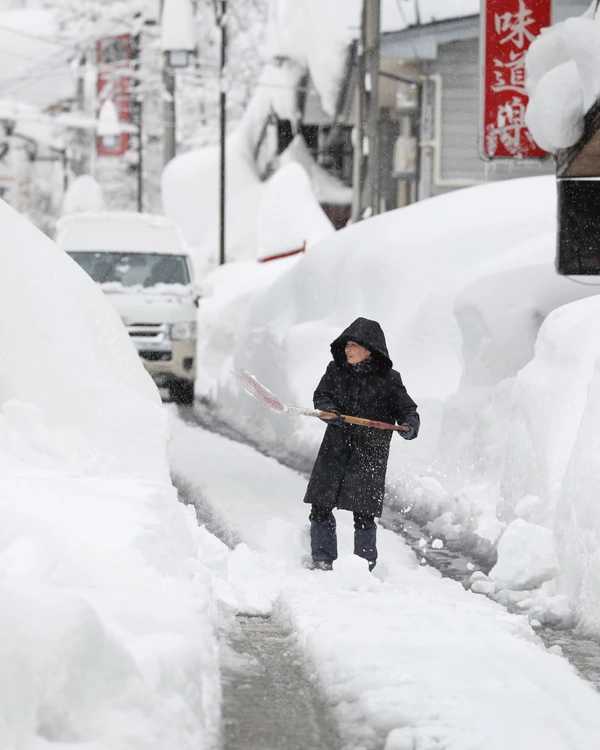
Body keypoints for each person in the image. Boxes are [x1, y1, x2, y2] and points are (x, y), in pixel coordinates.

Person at [303, 317, 420, 572]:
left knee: (363, 514)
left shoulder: (389, 379)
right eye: (346, 344)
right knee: (321, 505)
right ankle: (323, 560)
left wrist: (410, 426)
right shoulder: (336, 370)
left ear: (370, 348)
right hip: (335, 448)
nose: (348, 349)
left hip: (370, 453)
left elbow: (408, 410)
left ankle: (363, 567)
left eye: (354, 344)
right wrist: (330, 411)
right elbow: (321, 396)